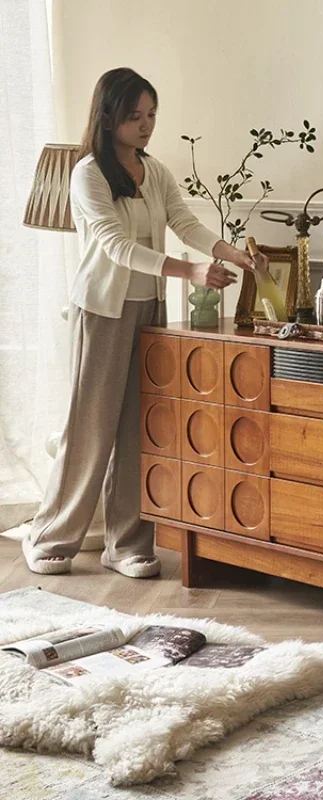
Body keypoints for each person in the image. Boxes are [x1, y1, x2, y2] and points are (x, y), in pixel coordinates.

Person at [22, 67, 266, 578]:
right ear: (109, 118)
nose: (146, 125)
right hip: (103, 311)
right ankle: (52, 536)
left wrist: (233, 254)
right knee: (91, 428)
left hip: (149, 310)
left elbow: (184, 221)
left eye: (151, 114)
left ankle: (127, 543)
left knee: (141, 427)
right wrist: (190, 270)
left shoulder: (154, 171)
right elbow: (115, 246)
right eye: (135, 116)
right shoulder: (86, 172)